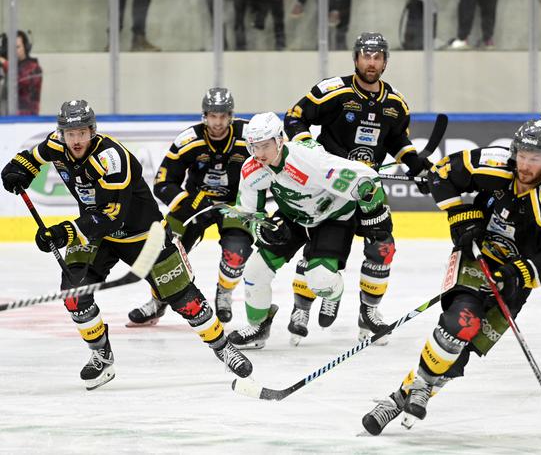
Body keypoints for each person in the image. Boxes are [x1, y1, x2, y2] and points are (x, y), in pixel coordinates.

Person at [0, 100, 252, 390]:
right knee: (74, 296)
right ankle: (101, 356)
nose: (77, 139)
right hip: (95, 236)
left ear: (93, 131)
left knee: (186, 300)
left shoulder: (111, 158)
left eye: (82, 132)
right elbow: (30, 158)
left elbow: (111, 216)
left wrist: (64, 233)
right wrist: (17, 172)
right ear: (62, 134)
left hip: (142, 235)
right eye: (71, 133)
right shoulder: (56, 144)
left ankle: (224, 349)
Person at [361, 119, 541, 435]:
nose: (526, 165)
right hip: (476, 256)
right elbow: (442, 175)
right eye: (523, 156)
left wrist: (518, 273)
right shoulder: (495, 164)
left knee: (461, 352)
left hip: (516, 278)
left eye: (536, 159)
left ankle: (398, 399)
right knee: (461, 322)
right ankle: (415, 389)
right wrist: (461, 217)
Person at [283, 32, 431, 346]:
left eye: (378, 57)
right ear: (356, 58)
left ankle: (369, 314)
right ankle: (301, 308)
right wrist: (308, 149)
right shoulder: (333, 91)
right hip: (329, 188)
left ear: (385, 61)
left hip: (366, 190)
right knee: (319, 250)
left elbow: (398, 142)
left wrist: (419, 168)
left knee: (382, 247)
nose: (372, 62)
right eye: (366, 56)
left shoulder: (395, 104)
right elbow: (295, 117)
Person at [226, 111, 391, 350]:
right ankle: (258, 326)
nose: (259, 154)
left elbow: (367, 180)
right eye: (253, 147)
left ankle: (332, 294)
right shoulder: (252, 169)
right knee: (254, 271)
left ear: (280, 140)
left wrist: (376, 218)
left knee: (321, 280)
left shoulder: (309, 160)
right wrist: (263, 229)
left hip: (332, 217)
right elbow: (248, 212)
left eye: (264, 146)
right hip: (294, 217)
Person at [127, 87, 253, 326]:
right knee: (165, 253)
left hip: (235, 203)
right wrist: (189, 201)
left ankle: (224, 293)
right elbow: (163, 183)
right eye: (213, 116)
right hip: (194, 204)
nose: (218, 122)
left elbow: (277, 158)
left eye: (223, 116)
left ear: (231, 115)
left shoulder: (248, 135)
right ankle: (158, 302)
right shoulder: (188, 140)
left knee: (237, 252)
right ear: (204, 116)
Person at [0, 30, 42, 115]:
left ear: (25, 47)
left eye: (17, 47)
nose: (13, 51)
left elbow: (21, 80)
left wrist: (4, 63)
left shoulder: (34, 68)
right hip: (7, 120)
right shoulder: (8, 67)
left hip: (26, 120)